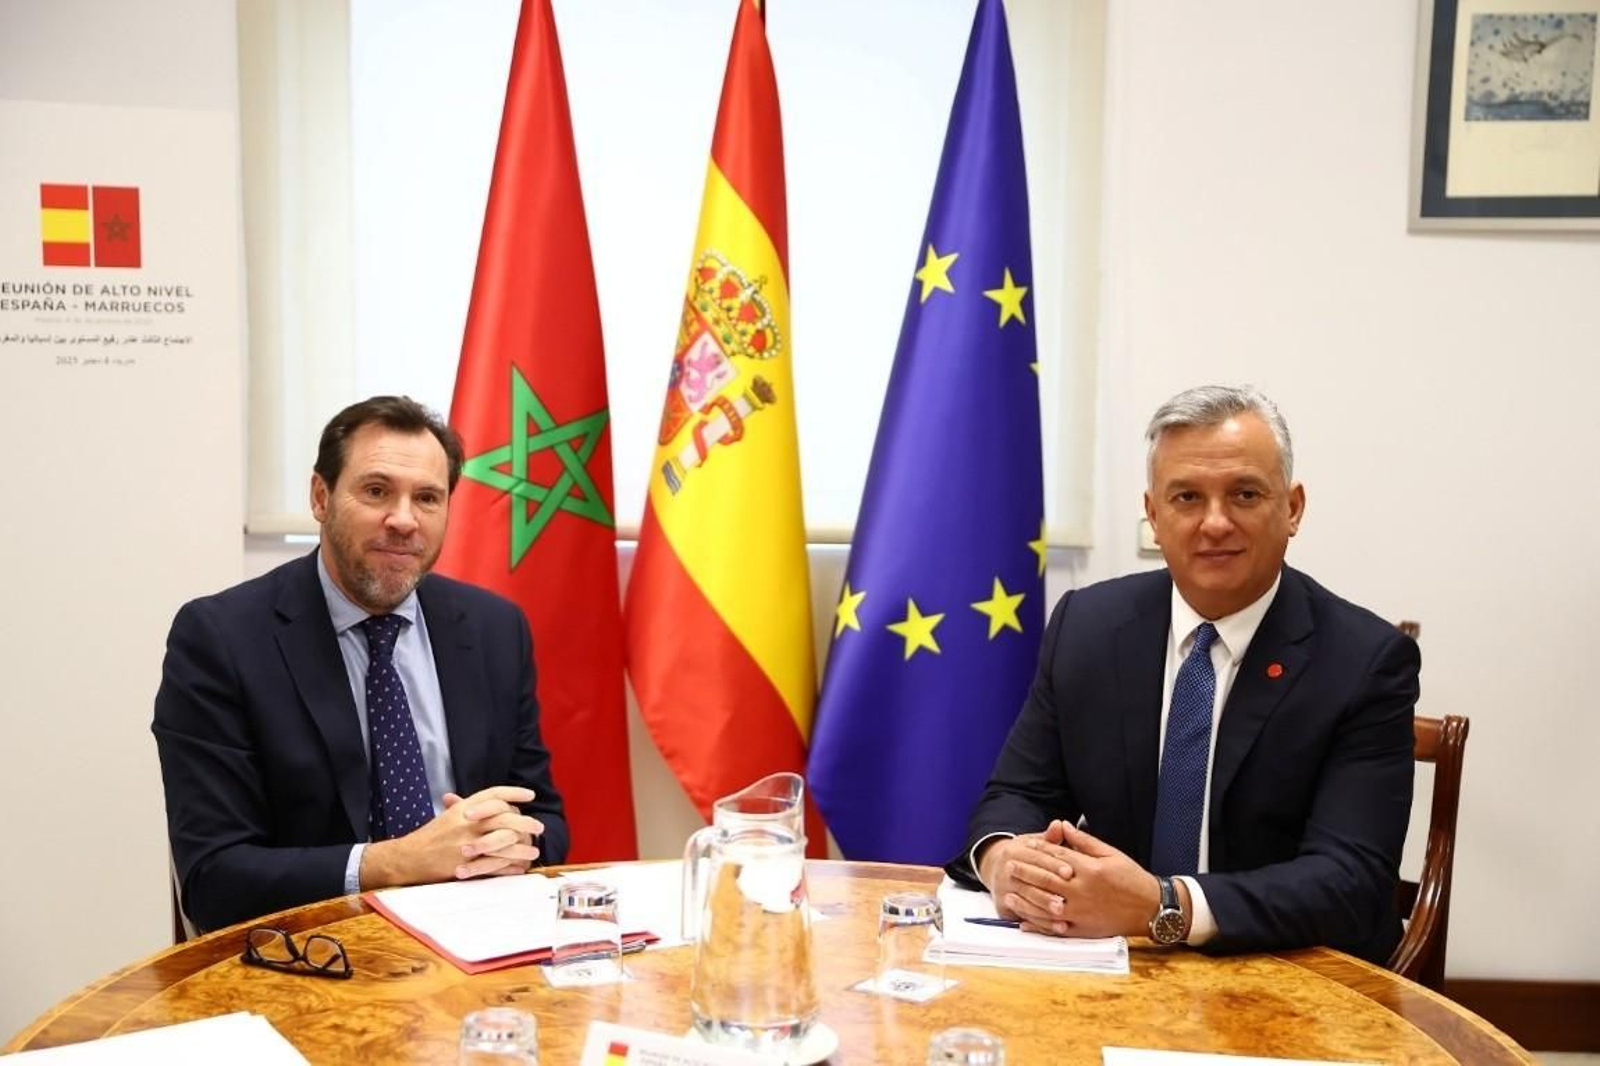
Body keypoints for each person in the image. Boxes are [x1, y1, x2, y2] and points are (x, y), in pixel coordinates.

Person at [948, 384, 1418, 964]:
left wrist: (1166, 905)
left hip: (1289, 969)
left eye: (1244, 494)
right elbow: (1019, 792)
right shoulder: (1088, 626)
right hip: (1117, 967)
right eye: (1187, 497)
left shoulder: (1365, 661)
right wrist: (1004, 860)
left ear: (1292, 508)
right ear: (1153, 514)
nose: (1214, 523)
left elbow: (1350, 880)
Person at [154, 396, 568, 932]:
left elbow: (546, 818)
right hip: (309, 954)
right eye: (376, 492)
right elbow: (214, 878)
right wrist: (397, 862)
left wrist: (516, 843)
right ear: (321, 496)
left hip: (474, 939)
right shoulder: (221, 639)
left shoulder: (493, 629)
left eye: (427, 498)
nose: (403, 520)